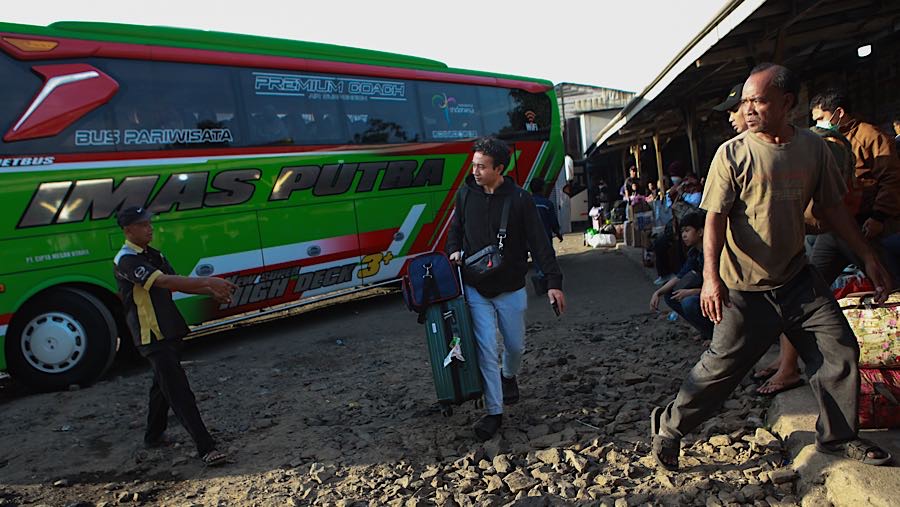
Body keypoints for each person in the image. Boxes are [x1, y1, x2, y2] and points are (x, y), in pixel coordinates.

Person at [649, 63, 894, 471]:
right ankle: (669, 427)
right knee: (718, 373)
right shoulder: (733, 153)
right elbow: (714, 220)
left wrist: (868, 256)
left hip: (798, 281)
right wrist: (711, 279)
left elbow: (833, 210)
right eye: (744, 102)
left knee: (840, 351)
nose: (747, 109)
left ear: (788, 103)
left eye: (757, 100)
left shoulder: (814, 149)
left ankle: (837, 437)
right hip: (743, 290)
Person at [447, 137, 567, 440]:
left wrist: (554, 284)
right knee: (486, 348)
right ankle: (494, 412)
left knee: (514, 347)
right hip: (476, 287)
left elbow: (540, 243)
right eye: (473, 164)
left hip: (512, 286)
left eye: (481, 166)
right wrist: (453, 250)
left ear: (499, 168)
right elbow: (455, 230)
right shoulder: (464, 194)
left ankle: (509, 375)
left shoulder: (521, 199)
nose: (474, 171)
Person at [114, 206, 237, 466]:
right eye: (142, 224)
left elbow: (178, 281)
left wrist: (209, 291)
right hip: (151, 335)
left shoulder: (153, 254)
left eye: (149, 222)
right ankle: (206, 448)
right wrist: (211, 282)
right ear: (127, 231)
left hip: (167, 330)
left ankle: (153, 435)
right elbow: (166, 283)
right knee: (179, 392)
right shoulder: (126, 260)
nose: (150, 227)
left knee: (162, 386)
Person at [649, 212, 713, 341]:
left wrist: (691, 292)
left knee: (688, 302)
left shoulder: (712, 252)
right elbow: (679, 277)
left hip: (719, 295)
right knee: (670, 295)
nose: (684, 235)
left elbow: (723, 287)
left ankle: (714, 335)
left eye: (687, 231)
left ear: (700, 232)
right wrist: (658, 292)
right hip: (705, 291)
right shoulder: (694, 253)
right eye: (683, 231)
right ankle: (705, 331)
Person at [528, 178, 564, 295]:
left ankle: (540, 276)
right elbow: (553, 221)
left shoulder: (527, 203)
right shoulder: (547, 204)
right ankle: (548, 281)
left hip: (531, 237)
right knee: (548, 258)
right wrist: (558, 233)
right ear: (542, 189)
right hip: (545, 237)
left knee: (536, 259)